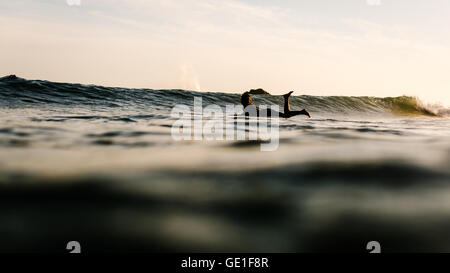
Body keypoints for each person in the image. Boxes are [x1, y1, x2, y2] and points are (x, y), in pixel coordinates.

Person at [241, 91, 311, 118]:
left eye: (242, 99)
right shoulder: (249, 106)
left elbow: (250, 114)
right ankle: (286, 98)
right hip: (267, 112)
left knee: (286, 115)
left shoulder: (248, 107)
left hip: (267, 112)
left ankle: (301, 111)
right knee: (286, 115)